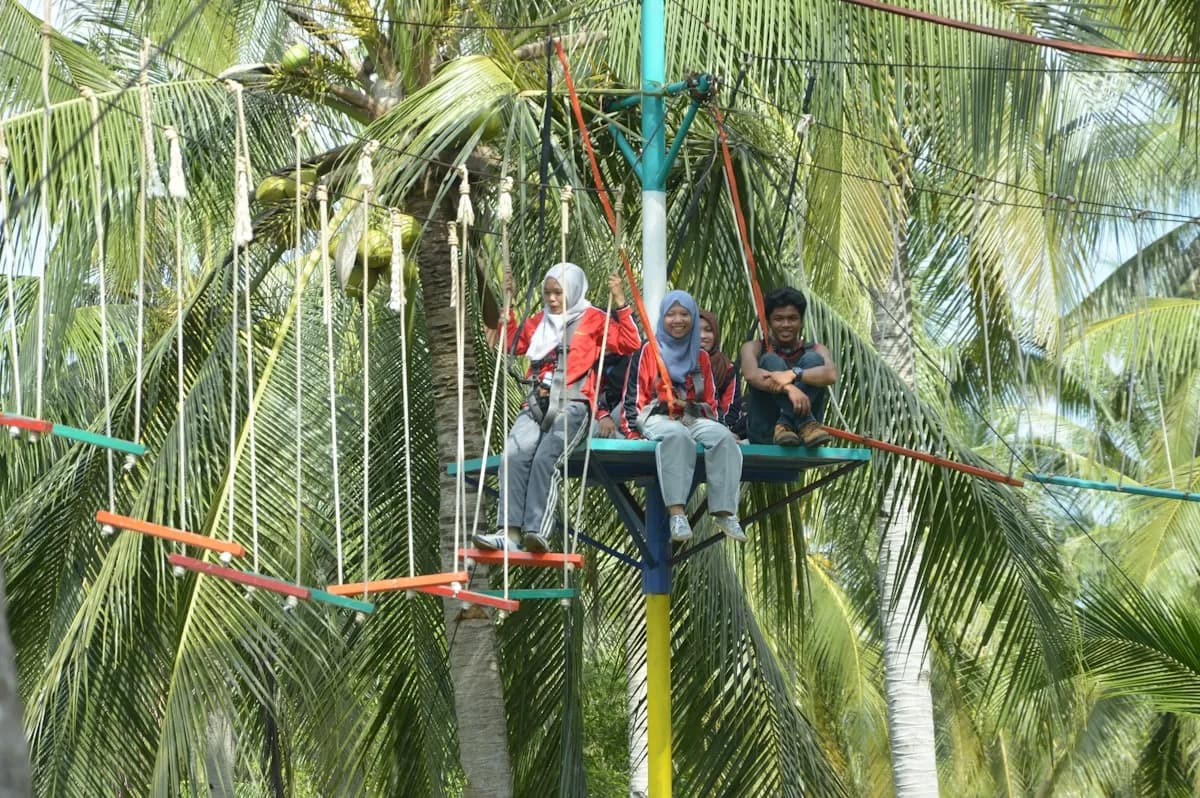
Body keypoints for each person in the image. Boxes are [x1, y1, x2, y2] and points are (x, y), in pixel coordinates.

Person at [474, 263, 640, 553]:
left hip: (573, 403)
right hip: (537, 401)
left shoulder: (593, 319)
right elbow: (510, 343)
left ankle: (537, 531)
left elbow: (630, 342)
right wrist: (508, 304)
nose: (551, 299)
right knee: (513, 456)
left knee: (545, 459)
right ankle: (508, 532)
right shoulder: (540, 321)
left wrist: (620, 302)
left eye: (558, 293)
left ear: (573, 291)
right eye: (547, 293)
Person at [623, 290, 745, 543]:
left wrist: (689, 407)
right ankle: (677, 512)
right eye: (671, 314)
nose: (678, 320)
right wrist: (632, 433)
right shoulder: (649, 349)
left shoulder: (699, 356)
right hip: (656, 415)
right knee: (677, 436)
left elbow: (710, 401)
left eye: (684, 314)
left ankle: (724, 511)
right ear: (663, 318)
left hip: (691, 416)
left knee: (722, 437)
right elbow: (634, 396)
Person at [739, 286, 838, 447]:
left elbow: (830, 374)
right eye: (778, 319)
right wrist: (790, 389)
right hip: (766, 432)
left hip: (804, 436)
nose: (786, 324)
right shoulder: (753, 347)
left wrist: (794, 374)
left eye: (792, 318)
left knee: (813, 360)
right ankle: (803, 423)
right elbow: (751, 374)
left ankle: (787, 424)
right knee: (771, 360)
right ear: (769, 321)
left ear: (801, 322)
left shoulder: (817, 349)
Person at [698, 309, 743, 436]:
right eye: (696, 331)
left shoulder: (727, 368)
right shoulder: (678, 364)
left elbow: (730, 409)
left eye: (708, 330)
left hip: (719, 428)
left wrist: (721, 431)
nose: (702, 336)